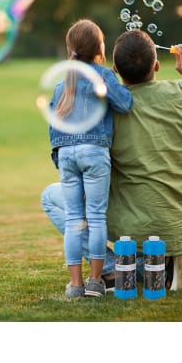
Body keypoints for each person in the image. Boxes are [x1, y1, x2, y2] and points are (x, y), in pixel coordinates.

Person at [41, 29, 182, 293]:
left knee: (53, 196)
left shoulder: (108, 109)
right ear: (156, 64)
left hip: (128, 230)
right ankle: (162, 261)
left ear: (115, 69)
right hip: (180, 227)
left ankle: (114, 269)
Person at [47, 19, 133, 299]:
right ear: (100, 48)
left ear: (71, 49)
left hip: (67, 155)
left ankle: (75, 286)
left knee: (74, 220)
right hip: (95, 153)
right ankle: (96, 281)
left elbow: (53, 124)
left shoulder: (62, 84)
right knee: (95, 218)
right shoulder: (104, 76)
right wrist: (115, 78)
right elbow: (125, 104)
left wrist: (60, 159)